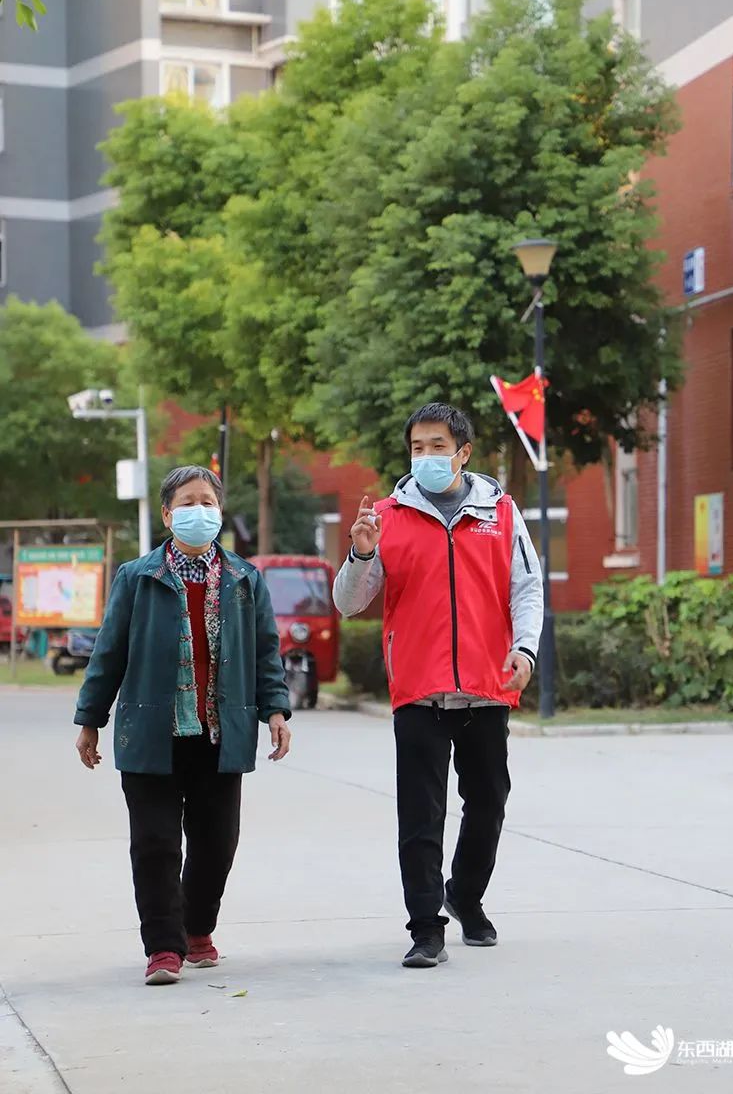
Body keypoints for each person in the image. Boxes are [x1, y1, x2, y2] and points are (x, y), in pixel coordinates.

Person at [333, 402, 543, 969]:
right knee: (420, 814)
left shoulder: (502, 512)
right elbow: (349, 603)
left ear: (463, 453)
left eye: (437, 446)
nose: (425, 456)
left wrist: (525, 648)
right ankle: (426, 927)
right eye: (417, 447)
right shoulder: (385, 517)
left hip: (485, 685)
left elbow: (527, 588)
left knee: (488, 803)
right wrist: (361, 553)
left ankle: (465, 895)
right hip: (418, 689)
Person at [74, 466, 292, 986]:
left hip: (220, 732)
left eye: (208, 502)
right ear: (168, 515)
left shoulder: (244, 578)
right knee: (155, 844)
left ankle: (197, 929)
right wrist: (90, 719)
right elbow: (109, 652)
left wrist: (276, 710)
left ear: (220, 511)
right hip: (152, 733)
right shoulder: (137, 577)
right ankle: (163, 948)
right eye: (188, 503)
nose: (199, 511)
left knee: (217, 842)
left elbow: (266, 653)